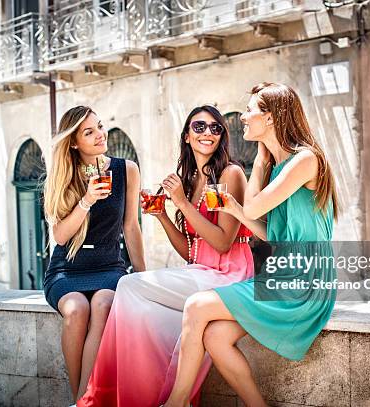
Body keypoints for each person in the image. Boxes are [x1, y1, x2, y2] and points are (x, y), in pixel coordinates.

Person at [163, 82, 339, 407]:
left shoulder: (304, 161)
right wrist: (234, 210)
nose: (243, 118)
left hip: (305, 279)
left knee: (196, 305)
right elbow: (269, 233)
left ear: (270, 118)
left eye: (250, 111)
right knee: (215, 337)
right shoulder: (282, 166)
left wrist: (259, 161)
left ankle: (176, 403)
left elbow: (256, 206)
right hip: (282, 273)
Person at [77, 105, 254, 407]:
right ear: (187, 136)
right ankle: (153, 396)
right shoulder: (190, 178)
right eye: (199, 127)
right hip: (201, 271)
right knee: (144, 314)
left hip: (230, 275)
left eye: (215, 128)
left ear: (222, 136)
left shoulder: (231, 174)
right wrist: (161, 216)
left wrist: (182, 204)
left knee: (130, 285)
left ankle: (105, 396)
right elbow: (191, 251)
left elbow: (224, 243)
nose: (207, 133)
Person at [42, 106, 146, 402]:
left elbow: (131, 226)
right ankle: (80, 398)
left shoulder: (126, 169)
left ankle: (83, 400)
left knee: (103, 303)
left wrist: (142, 274)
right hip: (66, 270)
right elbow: (60, 236)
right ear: (74, 142)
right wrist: (86, 200)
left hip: (110, 266)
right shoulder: (62, 175)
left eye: (100, 127)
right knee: (76, 309)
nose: (101, 134)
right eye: (89, 132)